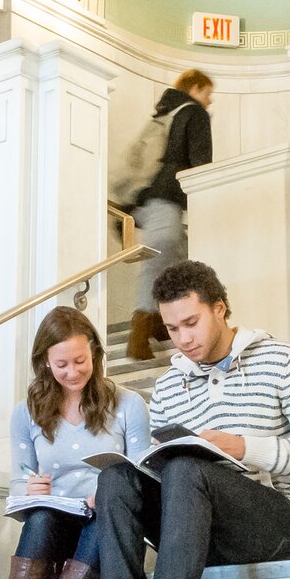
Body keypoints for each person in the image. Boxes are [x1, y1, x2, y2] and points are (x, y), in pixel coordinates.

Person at [81, 261, 290, 579]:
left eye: (191, 323)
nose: (183, 339)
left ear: (220, 308)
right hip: (195, 531)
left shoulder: (281, 361)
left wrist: (243, 447)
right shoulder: (167, 387)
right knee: (115, 480)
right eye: (172, 329)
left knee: (186, 467)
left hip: (276, 525)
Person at [0, 306, 151, 579]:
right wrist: (28, 488)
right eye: (61, 364)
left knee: (103, 523)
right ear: (44, 363)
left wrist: (112, 488)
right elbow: (19, 481)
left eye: (80, 361)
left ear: (95, 354)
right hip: (56, 517)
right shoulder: (27, 412)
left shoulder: (129, 404)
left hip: (107, 521)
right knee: (41, 518)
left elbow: (144, 474)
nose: (72, 372)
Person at [124, 70, 215, 361]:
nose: (210, 101)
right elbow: (201, 163)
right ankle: (139, 334)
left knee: (179, 260)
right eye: (208, 93)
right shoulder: (193, 112)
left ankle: (161, 325)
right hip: (168, 196)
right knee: (161, 260)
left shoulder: (165, 113)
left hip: (148, 199)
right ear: (196, 88)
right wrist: (204, 196)